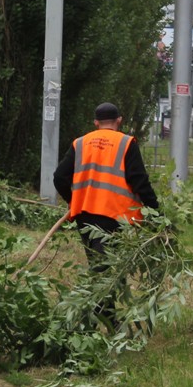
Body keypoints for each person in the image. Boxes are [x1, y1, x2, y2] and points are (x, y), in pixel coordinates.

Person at [53, 102, 160, 327]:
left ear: (95, 122)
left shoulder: (79, 143)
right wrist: (156, 213)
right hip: (114, 216)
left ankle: (99, 319)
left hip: (85, 216)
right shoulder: (126, 143)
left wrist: (74, 201)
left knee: (100, 266)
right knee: (107, 270)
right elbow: (140, 181)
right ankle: (103, 319)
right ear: (119, 120)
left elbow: (60, 177)